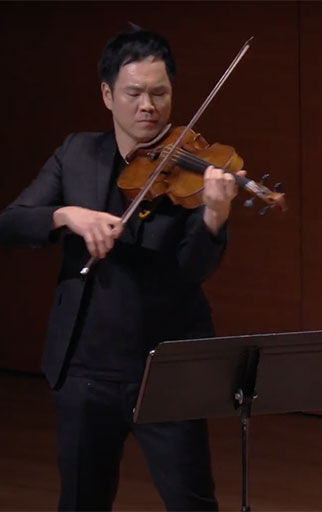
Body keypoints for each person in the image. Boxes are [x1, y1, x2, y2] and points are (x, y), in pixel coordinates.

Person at [0, 27, 244, 510]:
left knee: (192, 502)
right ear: (108, 95)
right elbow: (9, 224)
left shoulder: (195, 169)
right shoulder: (75, 154)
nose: (148, 106)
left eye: (160, 93)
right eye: (134, 93)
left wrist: (214, 216)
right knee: (81, 501)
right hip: (84, 371)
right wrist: (65, 215)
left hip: (165, 372)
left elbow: (193, 270)